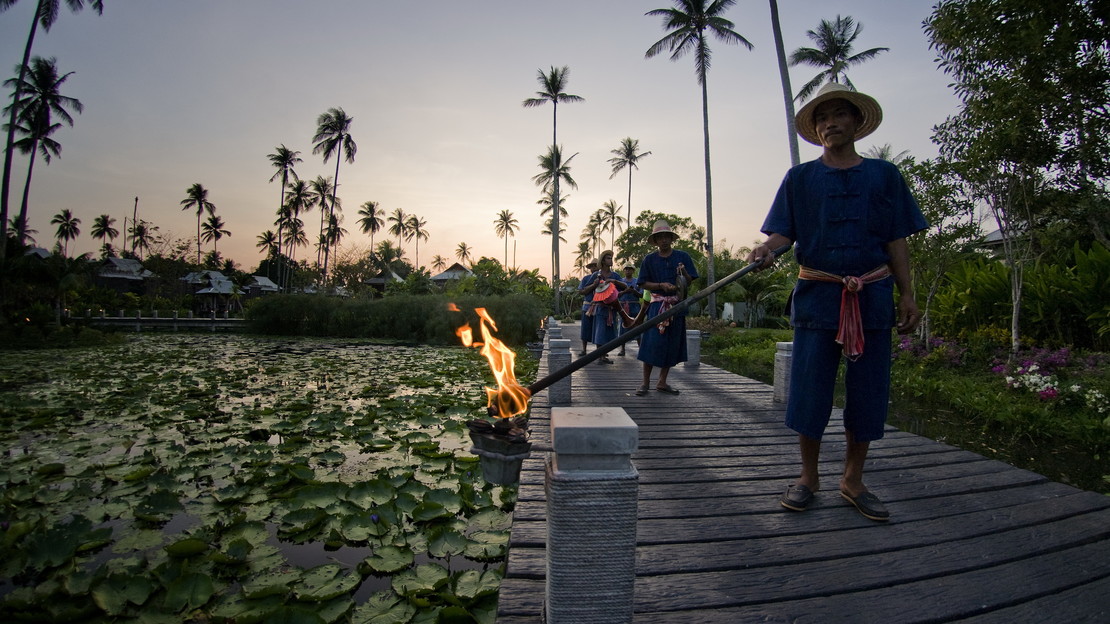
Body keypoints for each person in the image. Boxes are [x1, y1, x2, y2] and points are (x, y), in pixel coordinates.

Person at [747, 82, 927, 522]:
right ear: (816, 129)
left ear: (856, 122)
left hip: (872, 294)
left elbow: (896, 238)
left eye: (839, 115)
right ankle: (808, 477)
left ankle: (853, 479)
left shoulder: (884, 175)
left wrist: (908, 293)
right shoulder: (800, 178)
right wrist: (766, 249)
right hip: (818, 296)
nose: (830, 123)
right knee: (810, 389)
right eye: (822, 118)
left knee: (868, 391)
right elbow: (784, 233)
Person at [636, 220, 697, 396]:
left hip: (676, 307)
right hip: (657, 307)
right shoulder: (649, 259)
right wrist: (661, 285)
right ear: (655, 241)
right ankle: (645, 382)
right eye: (660, 237)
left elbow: (689, 280)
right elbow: (643, 283)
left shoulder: (683, 257)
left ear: (671, 239)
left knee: (672, 344)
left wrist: (684, 273)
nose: (663, 240)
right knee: (651, 343)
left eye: (666, 237)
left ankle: (662, 381)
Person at [587, 250, 627, 364]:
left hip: (612, 308)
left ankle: (604, 355)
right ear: (603, 261)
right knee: (600, 331)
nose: (611, 260)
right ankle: (600, 356)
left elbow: (624, 286)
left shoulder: (615, 275)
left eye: (611, 258)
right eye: (608, 258)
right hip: (600, 307)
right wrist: (594, 285)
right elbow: (586, 289)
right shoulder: (597, 275)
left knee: (609, 332)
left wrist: (614, 281)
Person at [616, 263, 642, 356]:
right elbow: (617, 295)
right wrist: (625, 291)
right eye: (626, 269)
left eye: (630, 269)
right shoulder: (620, 282)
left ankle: (640, 348)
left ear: (633, 271)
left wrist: (634, 291)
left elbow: (641, 294)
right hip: (623, 307)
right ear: (624, 270)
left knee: (637, 326)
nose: (628, 271)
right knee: (622, 327)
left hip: (635, 306)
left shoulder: (637, 281)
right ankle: (622, 349)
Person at [577, 259, 599, 356]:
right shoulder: (586, 279)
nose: (594, 268)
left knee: (599, 329)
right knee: (585, 328)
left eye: (596, 266)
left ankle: (600, 351)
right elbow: (581, 291)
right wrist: (593, 285)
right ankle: (584, 349)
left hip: (599, 307)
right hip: (587, 306)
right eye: (592, 266)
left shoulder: (604, 278)